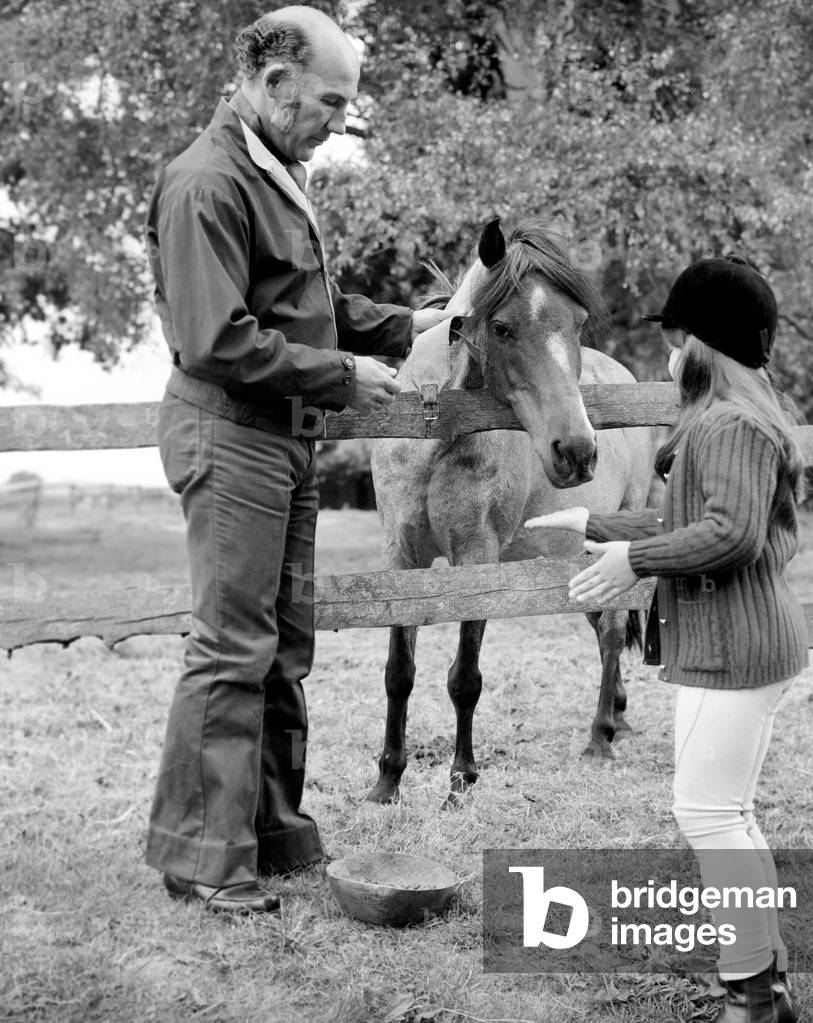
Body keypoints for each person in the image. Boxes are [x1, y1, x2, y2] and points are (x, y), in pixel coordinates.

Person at [144, 6, 447, 914]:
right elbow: (216, 339)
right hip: (232, 434)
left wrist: (406, 325)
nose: (338, 123)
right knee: (233, 646)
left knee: (283, 646)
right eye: (331, 103)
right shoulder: (206, 181)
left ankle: (269, 835)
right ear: (275, 84)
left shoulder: (275, 172)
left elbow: (305, 306)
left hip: (283, 436)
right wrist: (343, 375)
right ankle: (205, 858)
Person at [526, 256, 807, 1023]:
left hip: (734, 645)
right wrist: (594, 523)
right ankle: (766, 983)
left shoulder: (729, 424)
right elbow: (690, 519)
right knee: (727, 813)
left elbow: (730, 533)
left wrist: (633, 560)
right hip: (738, 641)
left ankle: (749, 996)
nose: (667, 356)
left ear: (704, 344)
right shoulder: (730, 418)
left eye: (674, 340)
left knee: (708, 813)